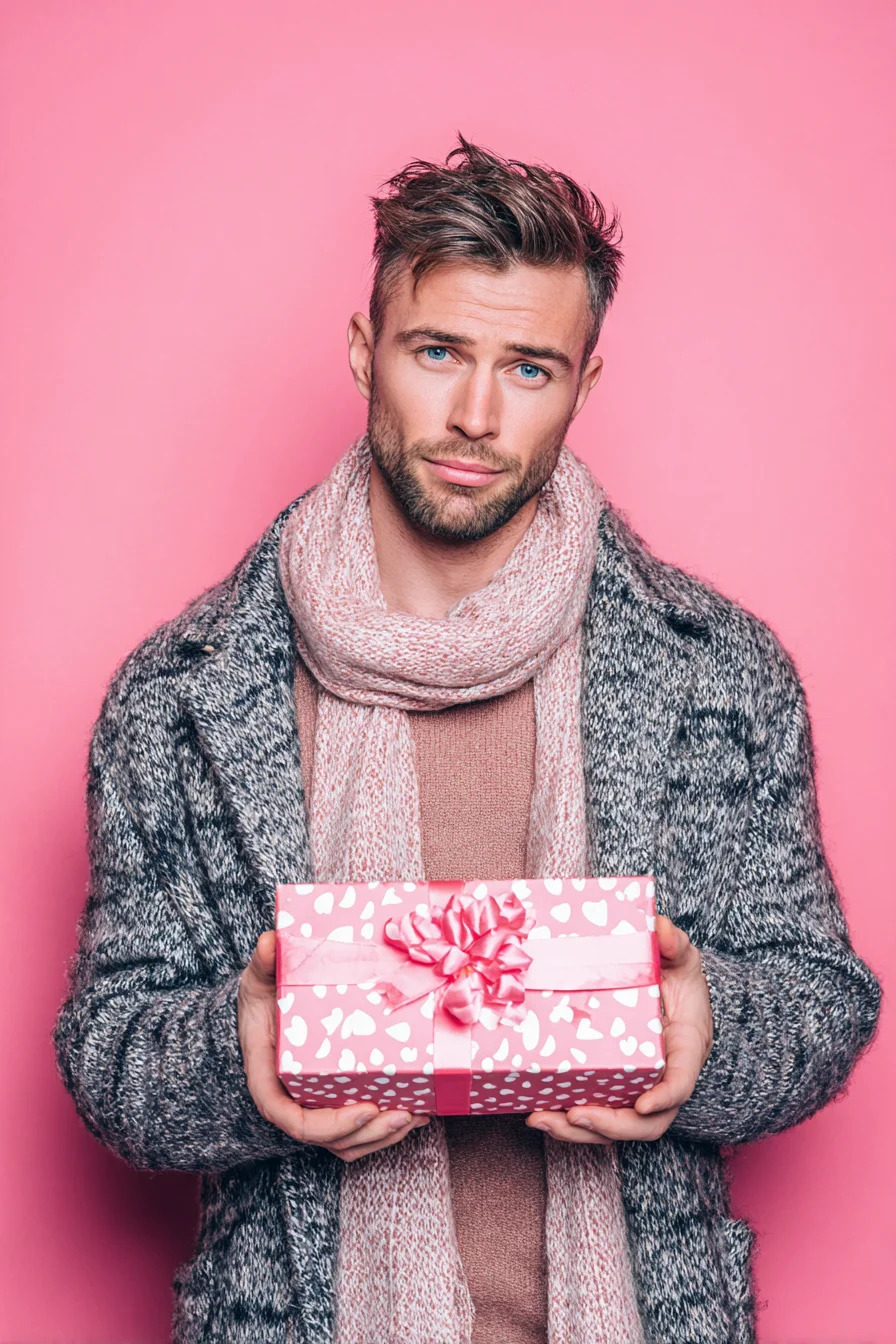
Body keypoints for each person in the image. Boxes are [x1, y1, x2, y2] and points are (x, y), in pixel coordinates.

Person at [53, 135, 881, 1344]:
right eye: (437, 352)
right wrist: (239, 1055)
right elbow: (109, 1054)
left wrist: (709, 1035)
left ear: (583, 384)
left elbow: (817, 998)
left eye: (528, 368)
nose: (476, 417)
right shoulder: (180, 695)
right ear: (365, 351)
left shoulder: (716, 671)